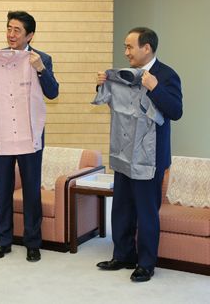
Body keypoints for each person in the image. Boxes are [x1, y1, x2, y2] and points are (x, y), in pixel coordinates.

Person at [95, 27, 183, 282]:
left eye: (130, 47)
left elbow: (175, 111)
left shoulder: (167, 76)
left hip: (150, 159)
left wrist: (155, 88)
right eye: (125, 47)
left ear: (147, 48)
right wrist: (101, 85)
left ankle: (146, 263)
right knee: (121, 208)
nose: (126, 52)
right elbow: (114, 102)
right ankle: (122, 255)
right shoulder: (124, 75)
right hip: (124, 153)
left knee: (146, 212)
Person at [0, 11, 59, 262]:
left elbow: (53, 93)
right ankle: (3, 241)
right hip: (2, 134)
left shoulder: (42, 58)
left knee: (32, 191)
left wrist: (41, 69)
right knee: (4, 190)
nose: (11, 34)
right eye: (9, 29)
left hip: (30, 136)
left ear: (30, 35)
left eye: (17, 30)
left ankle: (33, 243)